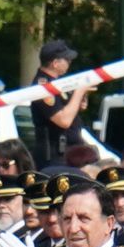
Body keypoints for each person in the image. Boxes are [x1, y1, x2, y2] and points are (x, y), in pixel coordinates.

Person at [30, 39, 88, 167]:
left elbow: (69, 110)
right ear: (55, 63)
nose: (70, 62)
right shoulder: (43, 87)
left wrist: (79, 101)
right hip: (55, 155)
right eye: (67, 59)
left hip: (67, 153)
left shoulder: (57, 84)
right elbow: (63, 120)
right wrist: (79, 91)